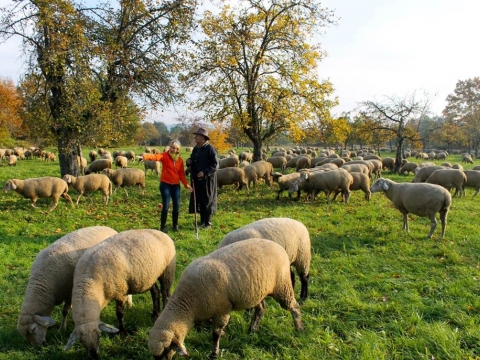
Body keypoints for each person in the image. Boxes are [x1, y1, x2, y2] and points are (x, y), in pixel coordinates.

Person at [142, 140, 192, 232]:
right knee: (166, 206)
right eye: (171, 147)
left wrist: (186, 184)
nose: (172, 149)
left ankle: (175, 225)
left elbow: (181, 174)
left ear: (178, 149)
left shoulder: (179, 160)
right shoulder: (164, 156)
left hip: (175, 186)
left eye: (175, 148)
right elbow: (155, 157)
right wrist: (145, 156)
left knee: (176, 206)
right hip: (165, 185)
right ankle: (163, 226)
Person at [187, 127, 218, 228]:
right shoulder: (196, 149)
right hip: (196, 179)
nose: (195, 137)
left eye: (197, 136)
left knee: (207, 199)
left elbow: (215, 164)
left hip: (207, 180)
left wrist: (205, 172)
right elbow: (193, 160)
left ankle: (208, 222)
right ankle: (202, 221)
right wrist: (189, 161)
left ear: (203, 138)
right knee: (199, 199)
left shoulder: (210, 149)